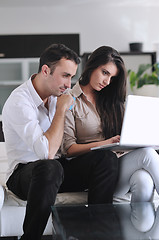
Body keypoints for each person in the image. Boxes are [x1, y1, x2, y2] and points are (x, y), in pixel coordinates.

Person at [2, 43, 119, 240]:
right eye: (65, 76)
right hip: (23, 175)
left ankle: (97, 232)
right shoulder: (20, 101)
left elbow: (63, 150)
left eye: (72, 77)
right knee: (50, 167)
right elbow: (45, 153)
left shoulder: (58, 96)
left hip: (55, 170)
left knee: (105, 159)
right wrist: (61, 110)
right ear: (46, 70)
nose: (68, 84)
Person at [62, 45, 159, 202]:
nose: (107, 81)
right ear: (92, 65)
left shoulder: (113, 102)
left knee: (143, 179)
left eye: (112, 78)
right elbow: (68, 149)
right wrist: (105, 143)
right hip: (94, 172)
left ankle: (135, 227)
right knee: (147, 155)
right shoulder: (70, 100)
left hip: (119, 164)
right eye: (105, 73)